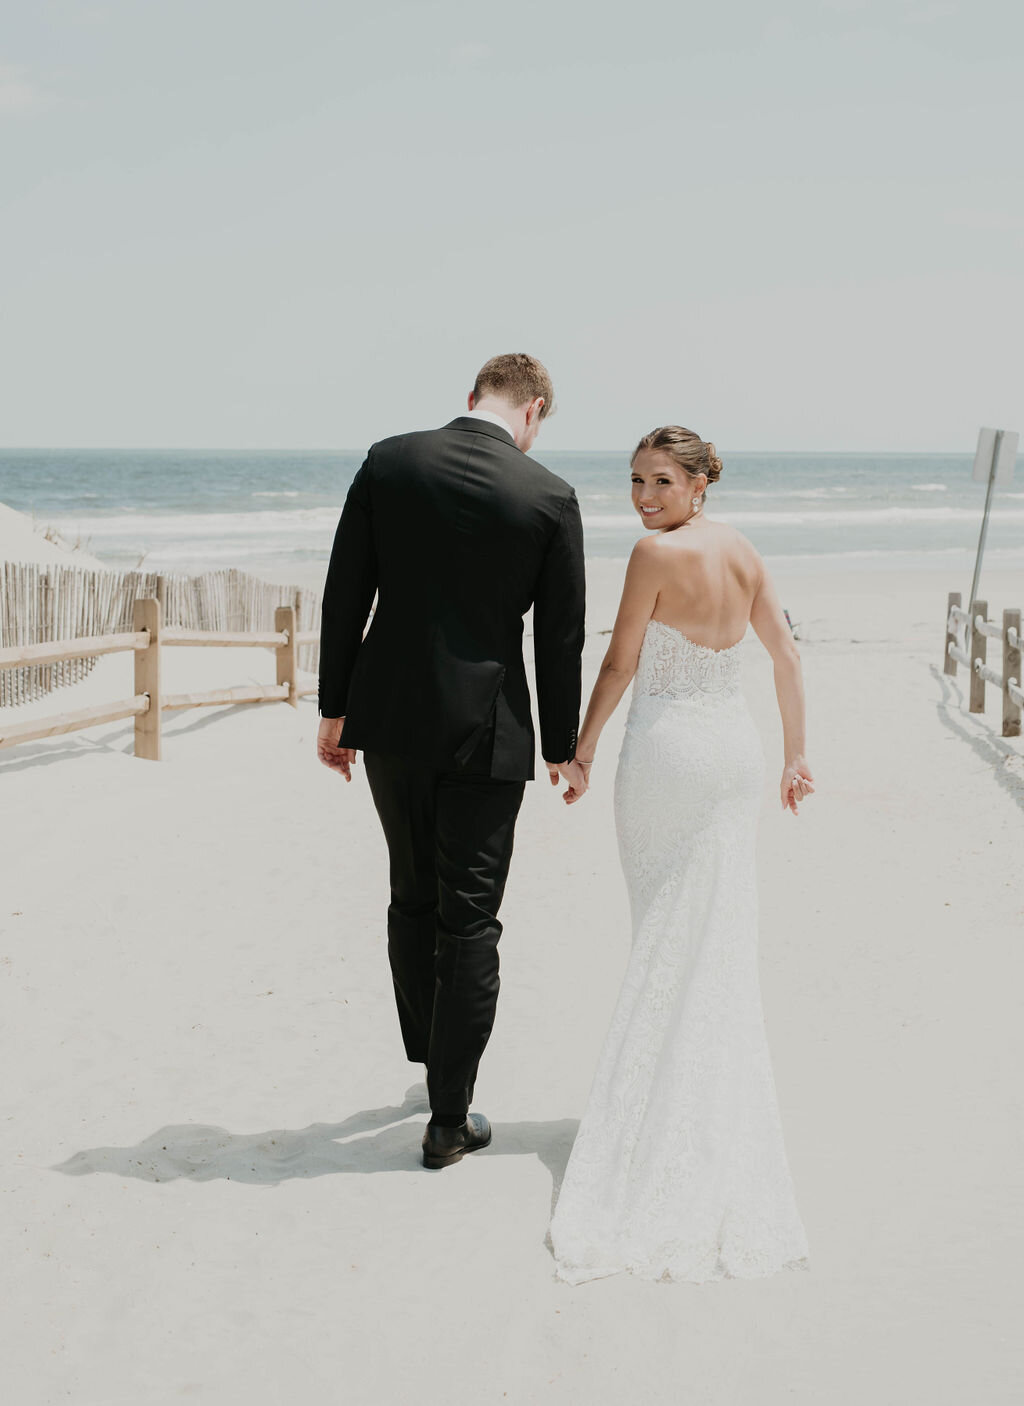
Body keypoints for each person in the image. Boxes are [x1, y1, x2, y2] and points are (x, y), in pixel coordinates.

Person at [548, 425, 813, 1283]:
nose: (644, 497)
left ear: (701, 484)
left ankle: (658, 1115)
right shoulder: (743, 552)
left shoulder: (651, 557)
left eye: (662, 481)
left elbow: (622, 661)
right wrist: (793, 754)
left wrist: (582, 748)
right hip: (732, 757)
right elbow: (785, 654)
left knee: (665, 928)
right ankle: (703, 1105)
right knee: (712, 935)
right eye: (634, 481)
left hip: (665, 758)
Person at [316, 354, 589, 1169]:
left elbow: (344, 591)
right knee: (470, 918)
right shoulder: (547, 496)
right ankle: (449, 1115)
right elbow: (561, 635)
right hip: (490, 730)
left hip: (392, 717)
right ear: (533, 411)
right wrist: (563, 749)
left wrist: (335, 711)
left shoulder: (390, 460)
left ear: (471, 398)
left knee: (411, 893)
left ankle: (431, 1058)